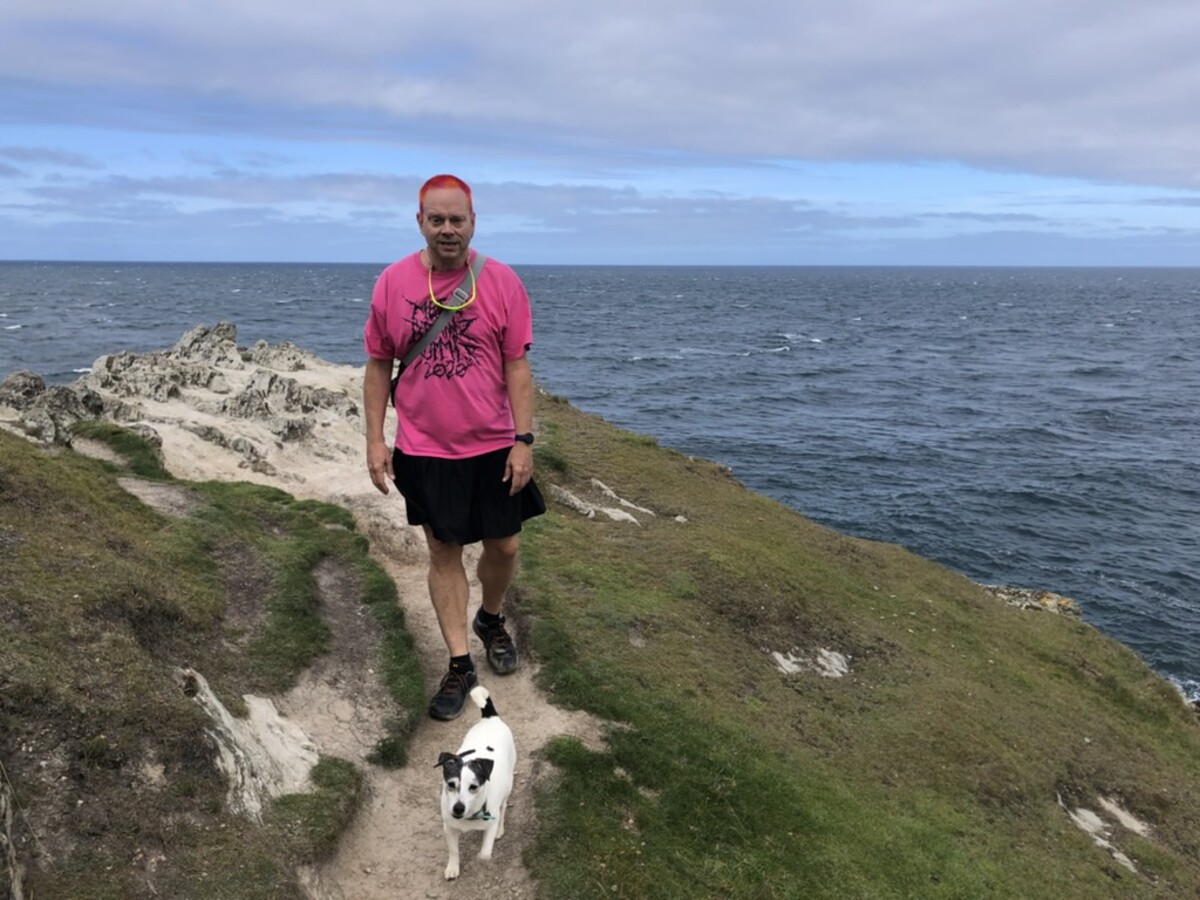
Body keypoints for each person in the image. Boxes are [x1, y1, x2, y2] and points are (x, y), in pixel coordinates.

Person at [362, 174, 542, 720]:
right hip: (426, 449)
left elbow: (517, 366)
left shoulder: (503, 282)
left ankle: (490, 617)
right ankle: (461, 663)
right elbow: (377, 364)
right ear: (419, 221)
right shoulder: (392, 283)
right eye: (436, 219)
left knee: (504, 547)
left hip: (492, 445)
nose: (447, 229)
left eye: (456, 219)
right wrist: (375, 439)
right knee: (443, 551)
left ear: (472, 222)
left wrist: (523, 439)